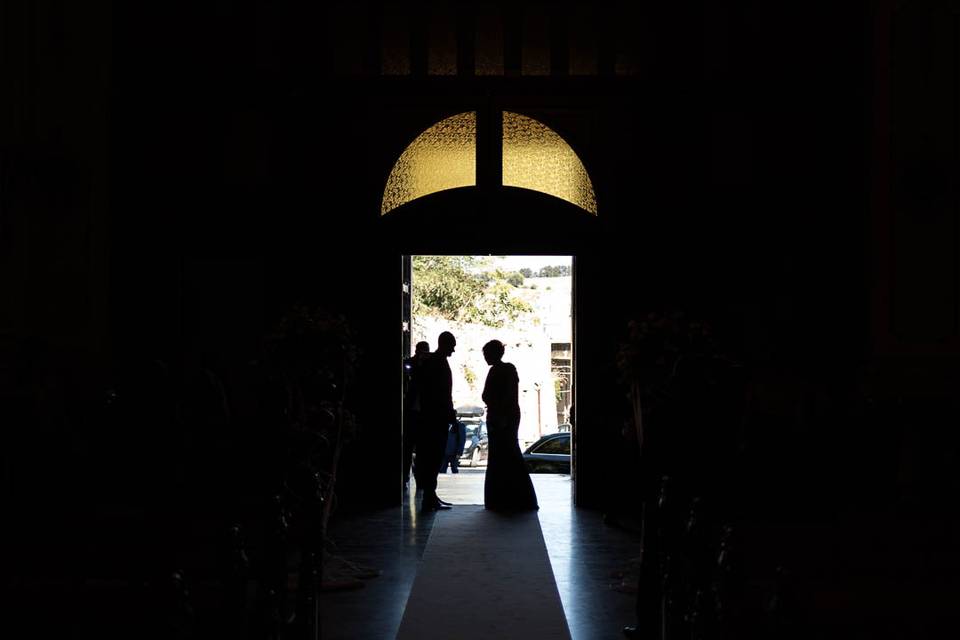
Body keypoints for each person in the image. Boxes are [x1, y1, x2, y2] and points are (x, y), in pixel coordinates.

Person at [481, 340, 538, 512]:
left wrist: (499, 413)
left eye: (486, 353)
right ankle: (518, 497)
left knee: (501, 455)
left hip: (501, 417)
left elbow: (489, 396)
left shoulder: (498, 371)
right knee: (509, 454)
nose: (485, 357)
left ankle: (500, 498)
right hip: (507, 416)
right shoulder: (508, 370)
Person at [415, 331, 457, 512]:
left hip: (432, 417)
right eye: (452, 346)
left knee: (431, 457)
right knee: (433, 457)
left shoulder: (433, 362)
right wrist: (450, 415)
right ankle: (430, 497)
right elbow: (442, 394)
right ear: (444, 344)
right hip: (435, 418)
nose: (454, 350)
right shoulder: (438, 363)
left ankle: (430, 496)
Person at [402, 341, 430, 491]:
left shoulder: (430, 366)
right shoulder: (410, 364)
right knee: (408, 447)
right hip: (412, 411)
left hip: (420, 412)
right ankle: (406, 476)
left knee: (421, 449)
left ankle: (419, 479)